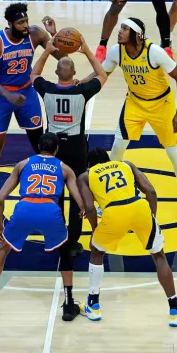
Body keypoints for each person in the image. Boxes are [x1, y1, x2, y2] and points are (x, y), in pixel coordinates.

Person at [0, 132, 85, 322]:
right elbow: (78, 199)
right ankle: (68, 305)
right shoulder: (65, 168)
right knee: (65, 251)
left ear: (38, 148)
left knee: (2, 250)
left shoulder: (22, 164)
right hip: (50, 211)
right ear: (56, 149)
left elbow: (0, 198)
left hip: (25, 209)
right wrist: (83, 209)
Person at [100, 17, 177, 222]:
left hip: (161, 105)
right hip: (135, 103)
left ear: (137, 34)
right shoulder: (116, 51)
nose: (120, 31)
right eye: (121, 28)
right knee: (118, 145)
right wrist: (79, 85)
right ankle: (108, 195)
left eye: (125, 29)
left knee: (172, 151)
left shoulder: (154, 52)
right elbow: (101, 74)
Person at [77, 147, 177, 326]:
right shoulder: (126, 165)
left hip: (113, 213)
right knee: (159, 255)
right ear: (109, 159)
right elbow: (150, 191)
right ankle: (175, 309)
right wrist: (152, 217)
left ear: (89, 165)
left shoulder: (85, 176)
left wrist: (96, 229)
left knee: (97, 253)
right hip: (139, 208)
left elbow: (89, 208)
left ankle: (93, 305)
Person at [31, 20, 107, 258]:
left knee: (54, 193)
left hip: (51, 147)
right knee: (77, 193)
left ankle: (55, 236)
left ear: (56, 73)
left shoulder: (47, 89)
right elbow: (102, 74)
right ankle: (73, 240)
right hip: (76, 147)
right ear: (75, 75)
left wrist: (47, 49)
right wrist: (85, 49)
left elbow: (34, 73)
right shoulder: (82, 91)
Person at [0, 2, 58, 227]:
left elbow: (60, 55)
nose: (26, 25)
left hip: (27, 95)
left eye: (26, 21)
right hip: (2, 99)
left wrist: (54, 34)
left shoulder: (35, 34)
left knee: (42, 147)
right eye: (21, 22)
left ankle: (50, 197)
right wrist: (6, 94)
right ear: (10, 23)